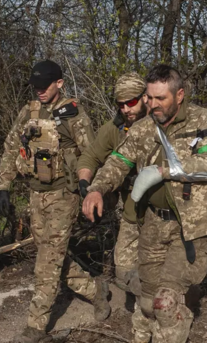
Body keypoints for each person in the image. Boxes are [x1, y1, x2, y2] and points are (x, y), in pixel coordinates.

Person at [82, 65, 207, 343]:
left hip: (191, 226)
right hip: (153, 224)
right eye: (149, 97)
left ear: (180, 94)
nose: (153, 104)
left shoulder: (202, 119)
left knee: (165, 301)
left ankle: (172, 329)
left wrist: (164, 171)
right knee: (147, 301)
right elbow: (118, 161)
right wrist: (97, 188)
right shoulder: (142, 129)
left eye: (161, 98)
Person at [0, 60, 110, 343]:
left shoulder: (75, 115)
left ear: (59, 83)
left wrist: (89, 188)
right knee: (51, 253)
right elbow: (12, 147)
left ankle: (35, 326)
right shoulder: (29, 111)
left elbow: (90, 154)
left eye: (44, 86)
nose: (39, 91)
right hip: (36, 193)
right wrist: (3, 186)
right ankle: (96, 290)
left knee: (47, 261)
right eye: (35, 87)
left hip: (63, 195)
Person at [77, 72, 147, 297]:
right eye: (121, 105)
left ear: (145, 98)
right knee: (124, 270)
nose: (126, 109)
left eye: (132, 102)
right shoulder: (114, 128)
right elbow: (91, 156)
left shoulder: (160, 123)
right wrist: (86, 183)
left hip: (163, 207)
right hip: (132, 207)